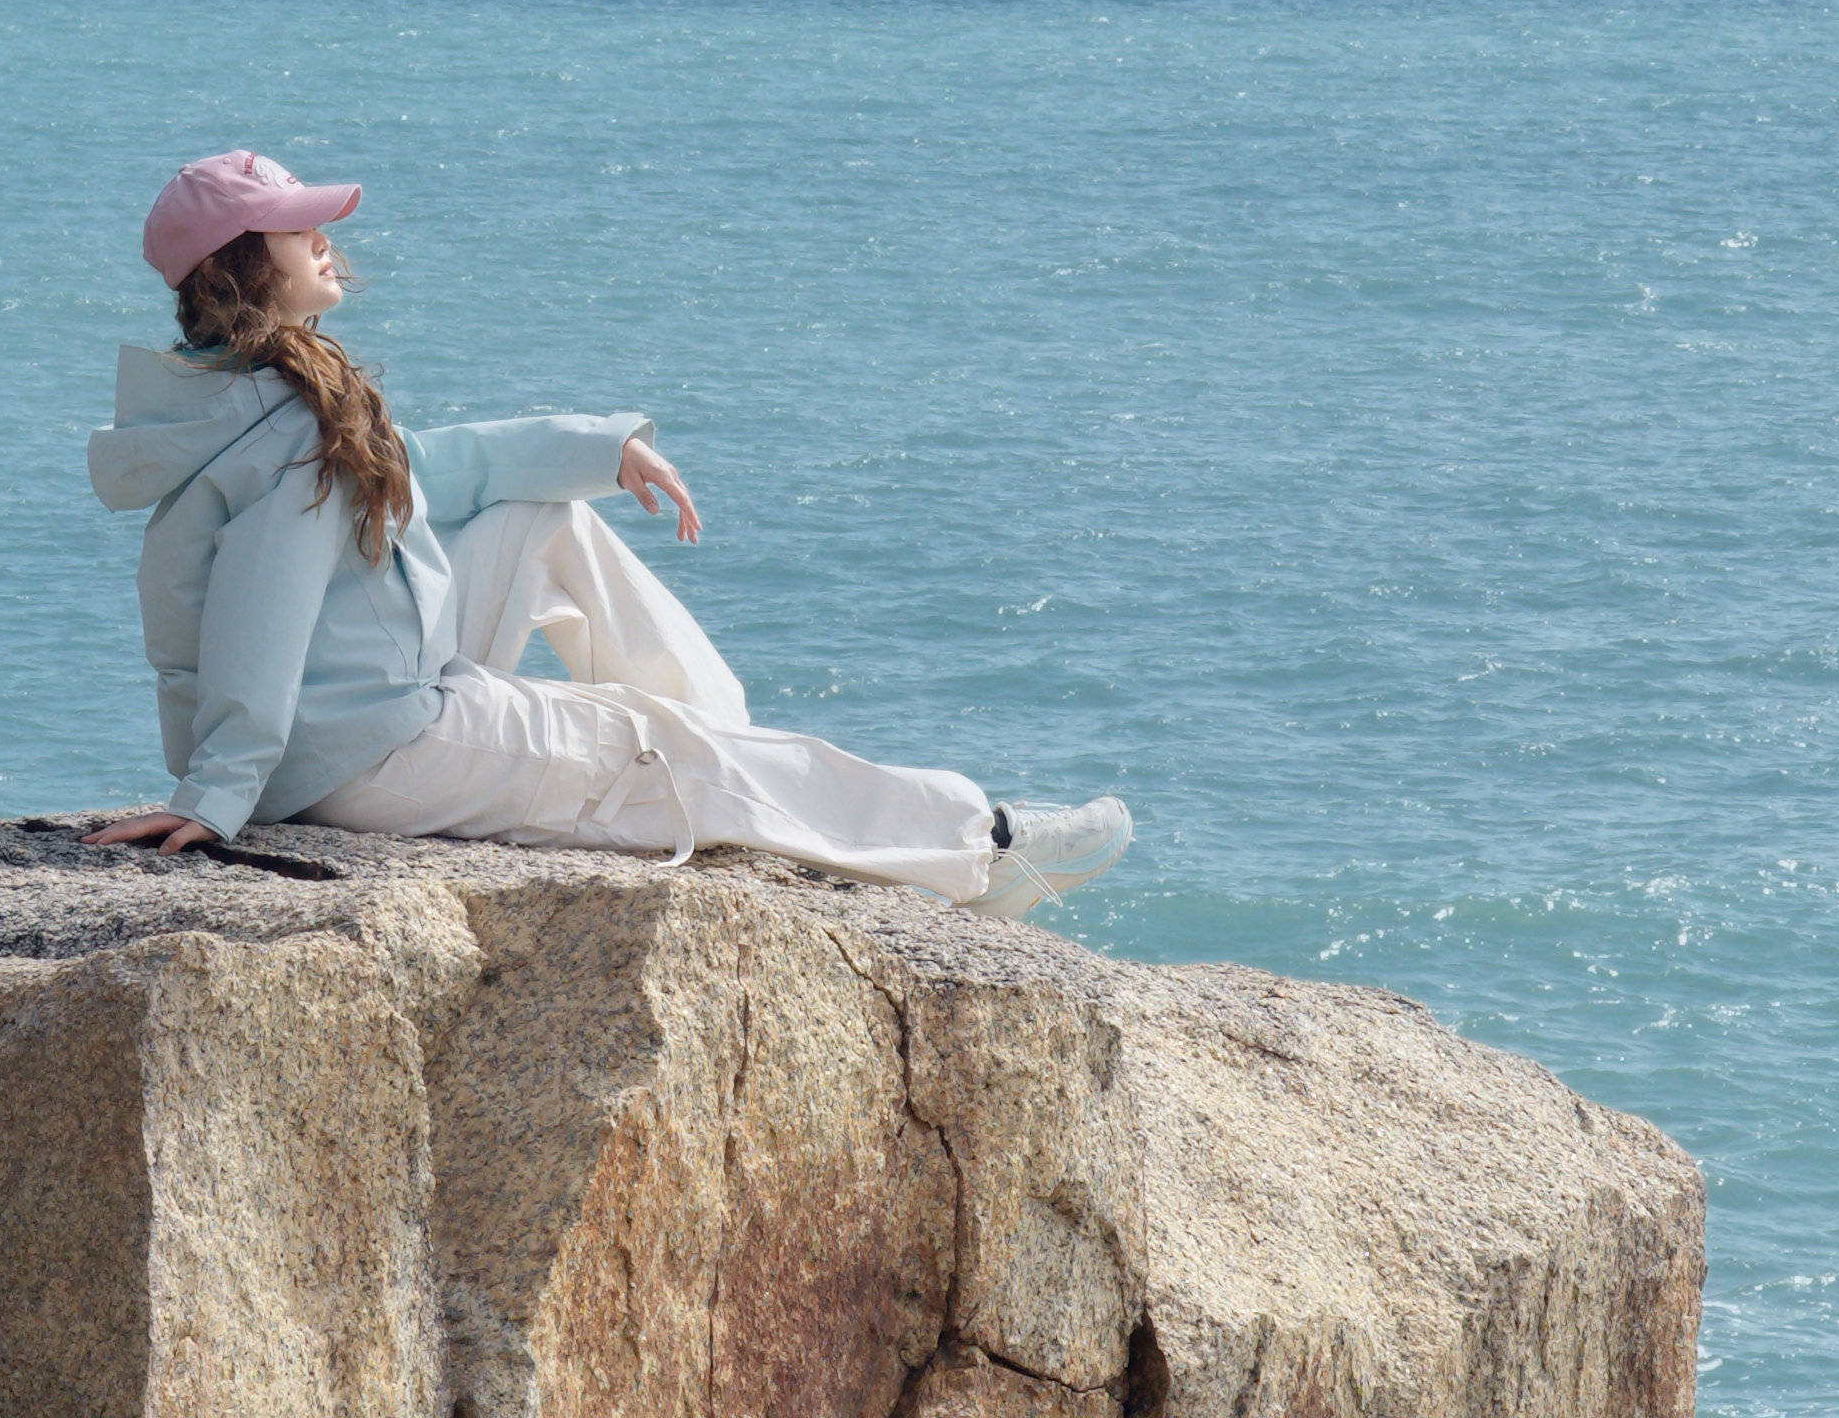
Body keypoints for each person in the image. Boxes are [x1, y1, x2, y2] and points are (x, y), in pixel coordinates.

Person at [79, 145, 1131, 920]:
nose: (323, 237)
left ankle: (720, 735)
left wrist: (596, 445)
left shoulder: (246, 401)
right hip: (366, 746)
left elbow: (422, 473)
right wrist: (217, 797)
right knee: (655, 750)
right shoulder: (289, 430)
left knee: (547, 516)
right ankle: (980, 844)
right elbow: (260, 615)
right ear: (241, 266)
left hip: (351, 706)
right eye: (297, 226)